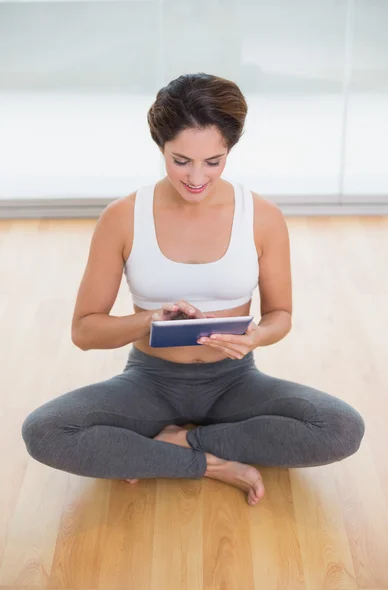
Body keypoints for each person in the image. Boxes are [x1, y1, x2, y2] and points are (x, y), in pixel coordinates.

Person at [21, 73, 365, 506]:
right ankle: (211, 462)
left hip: (234, 382)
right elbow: (85, 331)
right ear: (161, 147)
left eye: (213, 161)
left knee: (340, 428)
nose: (197, 177)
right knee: (44, 431)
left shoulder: (262, 216)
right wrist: (150, 319)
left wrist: (256, 336)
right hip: (150, 382)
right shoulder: (123, 217)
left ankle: (176, 445)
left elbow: (282, 316)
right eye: (181, 160)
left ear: (229, 151)